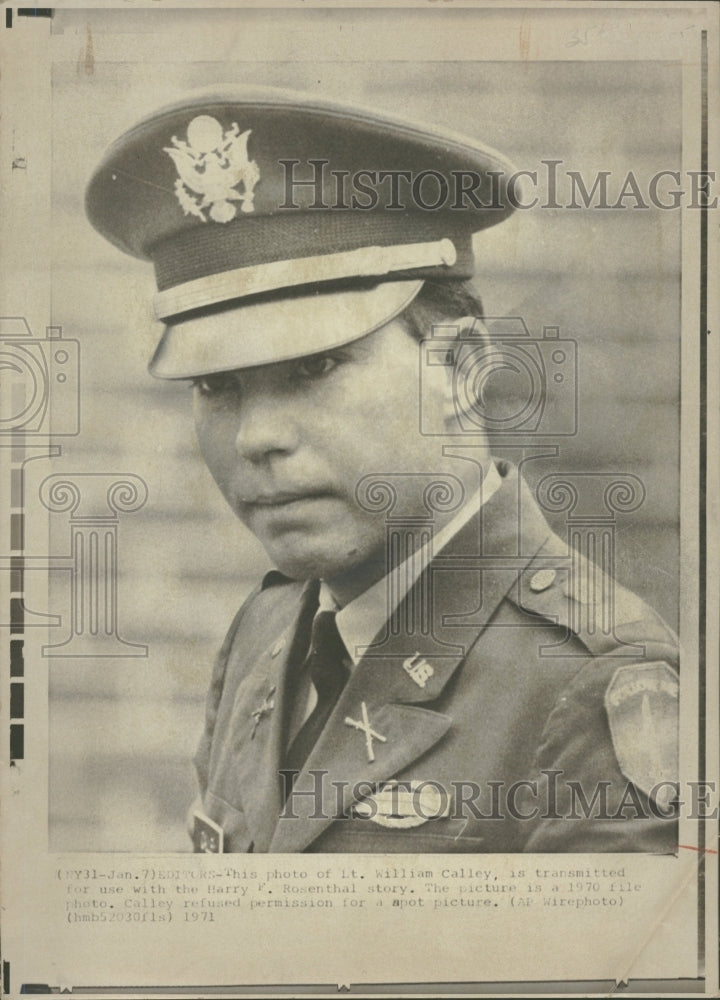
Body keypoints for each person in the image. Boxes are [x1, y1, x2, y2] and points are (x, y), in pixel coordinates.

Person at [86, 87, 679, 853]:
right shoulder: (268, 634)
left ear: (463, 368)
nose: (256, 437)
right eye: (217, 385)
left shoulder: (593, 684)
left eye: (314, 366)